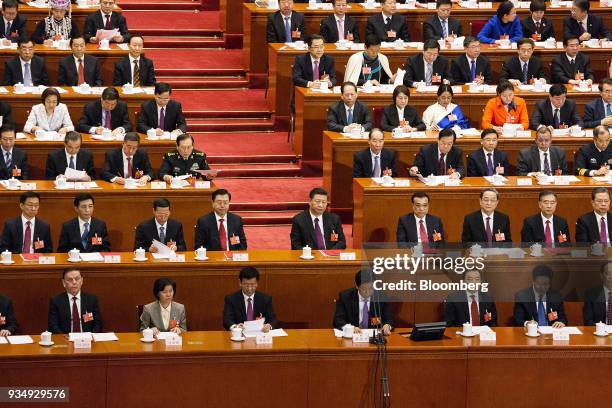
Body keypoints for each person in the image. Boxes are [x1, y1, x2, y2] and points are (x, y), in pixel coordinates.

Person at [333, 269, 393, 335]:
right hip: (353, 336)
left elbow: (389, 319)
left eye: (370, 288)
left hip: (374, 337)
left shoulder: (381, 296)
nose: (367, 292)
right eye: (364, 289)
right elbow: (338, 320)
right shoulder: (345, 297)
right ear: (356, 286)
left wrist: (387, 326)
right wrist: (351, 328)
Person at [48, 268, 102, 333]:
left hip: (87, 339)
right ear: (63, 282)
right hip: (66, 339)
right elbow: (53, 325)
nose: (74, 282)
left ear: (82, 281)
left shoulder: (91, 299)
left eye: (77, 279)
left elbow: (98, 323)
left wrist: (91, 336)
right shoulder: (56, 301)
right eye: (70, 280)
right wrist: (64, 338)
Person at [223, 267, 276, 332]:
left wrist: (269, 326)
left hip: (260, 335)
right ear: (240, 282)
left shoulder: (265, 299)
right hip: (239, 336)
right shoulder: (231, 299)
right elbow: (227, 320)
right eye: (246, 285)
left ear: (257, 283)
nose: (249, 289)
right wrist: (235, 327)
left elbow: (273, 320)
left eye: (252, 285)